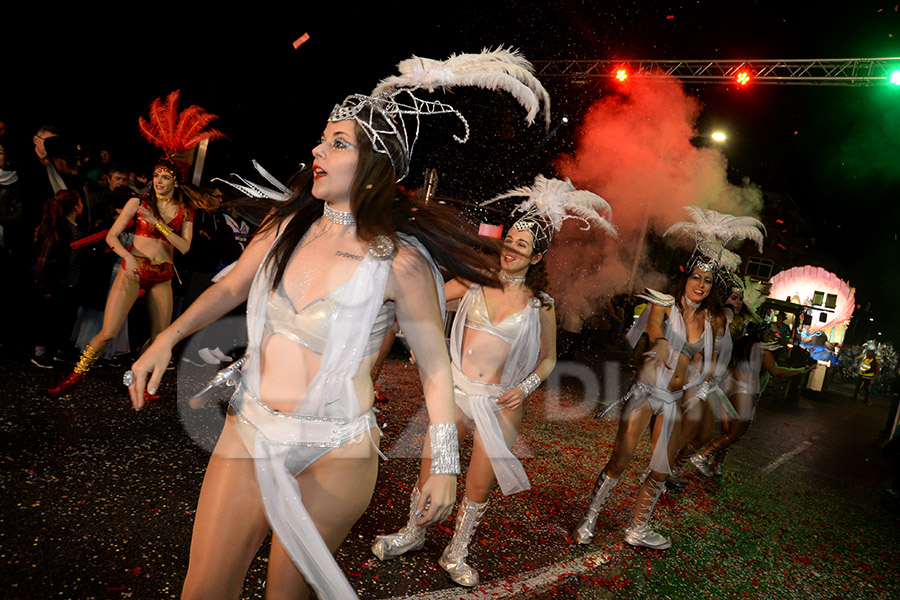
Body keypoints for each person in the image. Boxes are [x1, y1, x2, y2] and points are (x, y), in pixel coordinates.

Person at [126, 50, 550, 599]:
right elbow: (231, 287)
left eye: (337, 143)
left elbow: (436, 371)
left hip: (337, 451)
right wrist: (167, 337)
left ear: (373, 166)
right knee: (204, 588)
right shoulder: (285, 226)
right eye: (321, 139)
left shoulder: (402, 262)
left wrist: (444, 463)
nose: (317, 150)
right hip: (251, 429)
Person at [371, 176, 614, 586]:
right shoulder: (475, 279)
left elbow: (549, 358)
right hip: (456, 392)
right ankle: (413, 532)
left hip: (501, 401)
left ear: (536, 258)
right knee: (433, 467)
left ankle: (457, 551)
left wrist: (525, 388)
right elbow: (426, 299)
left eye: (522, 246)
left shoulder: (542, 304)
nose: (511, 250)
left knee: (479, 484)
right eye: (510, 241)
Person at [47, 91, 224, 398]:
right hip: (133, 270)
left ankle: (140, 377)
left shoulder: (185, 211)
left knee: (159, 337)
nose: (158, 181)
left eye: (165, 177)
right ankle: (74, 375)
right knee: (108, 332)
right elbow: (112, 236)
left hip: (163, 275)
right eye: (156, 176)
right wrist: (128, 257)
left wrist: (156, 224)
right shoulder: (136, 202)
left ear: (175, 181)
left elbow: (183, 248)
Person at [574, 263, 718, 550]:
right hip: (646, 392)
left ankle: (637, 528)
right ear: (686, 279)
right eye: (696, 277)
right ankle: (589, 518)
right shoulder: (665, 304)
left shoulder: (707, 321)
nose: (701, 284)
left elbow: (706, 362)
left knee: (662, 468)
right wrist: (661, 341)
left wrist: (699, 392)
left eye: (708, 281)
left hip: (673, 399)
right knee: (621, 459)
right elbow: (653, 324)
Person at [690, 322, 814, 476]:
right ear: (761, 334)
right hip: (744, 391)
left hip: (726, 388)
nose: (770, 336)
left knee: (727, 431)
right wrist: (801, 370)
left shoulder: (740, 344)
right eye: (768, 333)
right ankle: (702, 456)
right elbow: (776, 372)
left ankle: (717, 465)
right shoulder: (762, 351)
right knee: (736, 433)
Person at [31, 189, 84, 368]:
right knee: (48, 318)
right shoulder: (60, 228)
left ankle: (58, 350)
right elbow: (44, 261)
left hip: (69, 282)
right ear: (76, 207)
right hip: (55, 283)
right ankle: (41, 353)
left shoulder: (72, 227)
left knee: (64, 318)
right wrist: (44, 286)